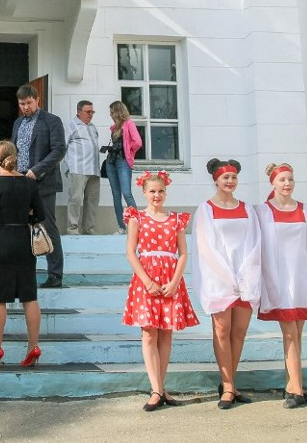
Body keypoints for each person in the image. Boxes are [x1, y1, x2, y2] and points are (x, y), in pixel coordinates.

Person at [123, 170, 199, 411]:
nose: (157, 195)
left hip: (169, 279)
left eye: (161, 191)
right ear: (144, 193)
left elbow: (183, 253)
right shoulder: (137, 218)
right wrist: (147, 281)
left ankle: (160, 387)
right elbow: (131, 252)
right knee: (149, 333)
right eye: (152, 191)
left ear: (166, 192)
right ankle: (156, 389)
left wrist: (175, 281)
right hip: (146, 280)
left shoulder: (176, 219)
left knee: (166, 333)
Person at [255, 162, 307, 409]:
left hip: (301, 280)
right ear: (273, 183)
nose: (287, 184)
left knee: (297, 334)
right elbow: (262, 251)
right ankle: (297, 391)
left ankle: (292, 386)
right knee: (289, 333)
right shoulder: (263, 211)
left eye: (290, 179)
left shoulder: (306, 210)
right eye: (282, 180)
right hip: (279, 281)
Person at [0, 85, 67, 287]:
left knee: (47, 227)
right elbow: (12, 150)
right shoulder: (18, 122)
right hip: (19, 181)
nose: (25, 107)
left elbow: (59, 150)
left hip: (42, 182)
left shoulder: (52, 121)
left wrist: (37, 170)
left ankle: (55, 275)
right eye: (22, 104)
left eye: (29, 103)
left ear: (37, 100)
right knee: (21, 229)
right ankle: (26, 272)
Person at [194, 158, 262, 410]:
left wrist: (244, 275)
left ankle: (230, 384)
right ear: (216, 179)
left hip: (245, 279)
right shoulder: (206, 209)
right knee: (221, 331)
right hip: (219, 279)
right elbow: (206, 247)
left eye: (233, 177)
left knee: (239, 332)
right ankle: (228, 385)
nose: (230, 181)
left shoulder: (247, 209)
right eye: (226, 177)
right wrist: (227, 276)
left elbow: (254, 244)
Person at [0, 140, 46, 369]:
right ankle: (33, 347)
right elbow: (40, 215)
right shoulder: (29, 184)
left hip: (0, 241)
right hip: (24, 242)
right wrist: (26, 216)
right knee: (30, 296)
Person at [64, 100, 101, 235]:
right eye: (88, 112)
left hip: (93, 169)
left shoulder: (92, 127)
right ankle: (72, 229)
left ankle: (89, 229)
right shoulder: (71, 125)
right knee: (75, 199)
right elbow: (62, 146)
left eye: (92, 112)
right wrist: (68, 166)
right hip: (78, 168)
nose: (90, 114)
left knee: (92, 200)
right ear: (79, 112)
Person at [106, 101, 142, 234]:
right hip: (111, 162)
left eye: (112, 111)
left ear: (118, 111)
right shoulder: (114, 127)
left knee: (127, 193)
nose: (110, 114)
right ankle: (121, 227)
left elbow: (137, 142)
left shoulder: (129, 124)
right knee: (116, 196)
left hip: (123, 161)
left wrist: (128, 150)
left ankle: (137, 225)